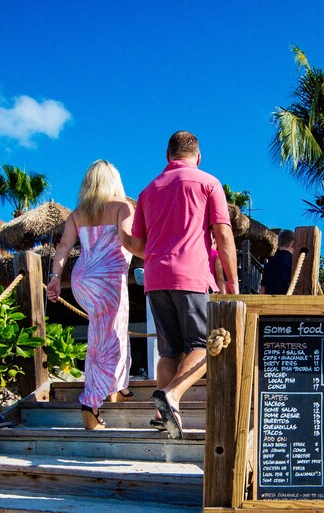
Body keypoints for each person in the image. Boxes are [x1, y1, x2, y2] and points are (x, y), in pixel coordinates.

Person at [120, 130, 238, 439]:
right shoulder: (207, 182)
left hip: (156, 278)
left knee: (169, 351)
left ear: (168, 157)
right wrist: (232, 284)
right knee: (204, 347)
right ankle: (172, 396)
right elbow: (224, 236)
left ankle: (163, 415)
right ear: (198, 157)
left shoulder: (147, 191)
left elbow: (137, 245)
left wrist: (161, 255)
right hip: (192, 276)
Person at [46, 160, 134, 430]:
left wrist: (54, 278)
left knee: (111, 331)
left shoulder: (77, 214)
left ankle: (120, 385)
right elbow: (129, 240)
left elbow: (63, 247)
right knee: (105, 341)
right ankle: (90, 403)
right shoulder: (122, 207)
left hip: (83, 278)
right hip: (109, 279)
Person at [259, 229, 295, 294]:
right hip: (288, 301)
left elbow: (262, 290)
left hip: (270, 302)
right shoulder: (294, 263)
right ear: (293, 243)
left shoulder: (269, 264)